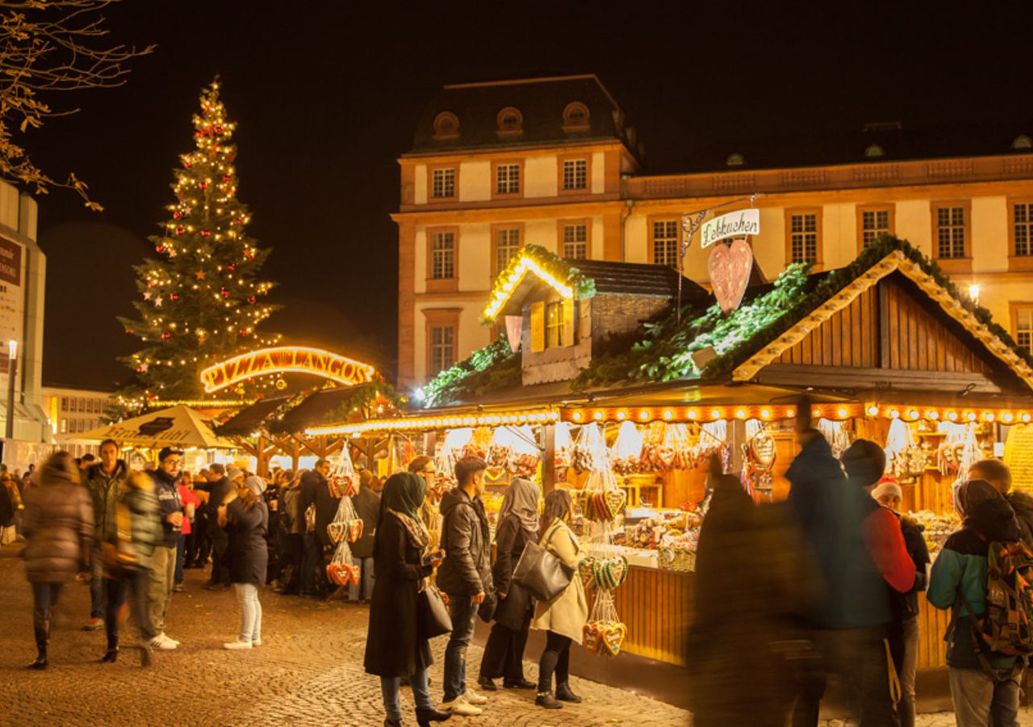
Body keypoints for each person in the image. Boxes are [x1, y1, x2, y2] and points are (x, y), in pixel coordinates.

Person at [789, 425, 909, 726]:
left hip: (815, 618)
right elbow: (902, 577)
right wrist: (919, 578)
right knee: (873, 708)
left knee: (806, 700)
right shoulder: (878, 516)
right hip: (862, 623)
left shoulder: (818, 503)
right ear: (879, 474)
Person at [689, 457, 818, 726]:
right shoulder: (764, 539)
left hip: (720, 671)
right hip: (763, 671)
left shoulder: (715, 538)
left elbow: (703, 608)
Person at [928, 479, 1025, 726]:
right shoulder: (1017, 536)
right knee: (1007, 721)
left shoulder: (959, 542)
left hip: (972, 646)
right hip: (1013, 644)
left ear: (965, 507)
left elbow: (939, 597)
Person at [363, 471, 452, 727]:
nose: (422, 495)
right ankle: (394, 717)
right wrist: (425, 569)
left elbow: (406, 562)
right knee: (392, 658)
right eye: (418, 490)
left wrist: (428, 560)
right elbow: (395, 567)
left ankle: (424, 707)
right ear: (406, 493)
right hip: (394, 601)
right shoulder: (393, 524)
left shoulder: (407, 520)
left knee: (417, 653)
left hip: (409, 596)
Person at [21, 451, 93, 669]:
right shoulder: (78, 493)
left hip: (39, 554)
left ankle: (42, 654)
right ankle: (53, 617)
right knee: (53, 599)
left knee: (40, 605)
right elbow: (86, 528)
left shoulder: (36, 492)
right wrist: (84, 559)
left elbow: (28, 527)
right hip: (66, 554)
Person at [437, 456, 493, 716]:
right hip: (462, 584)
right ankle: (452, 695)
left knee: (463, 638)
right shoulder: (461, 509)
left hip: (465, 581)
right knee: (460, 639)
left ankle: (460, 687)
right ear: (474, 478)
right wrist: (475, 583)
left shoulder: (469, 506)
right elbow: (460, 551)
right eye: (485, 476)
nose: (486, 482)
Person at [872, 478, 930, 727]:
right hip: (875, 619)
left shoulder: (911, 531)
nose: (891, 503)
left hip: (905, 616)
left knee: (906, 688)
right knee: (879, 688)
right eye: (885, 499)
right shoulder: (869, 529)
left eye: (895, 499)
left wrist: (903, 576)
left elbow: (925, 576)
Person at [99, 470, 170, 663]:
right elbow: (156, 536)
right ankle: (144, 640)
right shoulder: (152, 504)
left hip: (122, 559)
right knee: (140, 604)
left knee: (112, 603)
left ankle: (112, 647)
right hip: (143, 562)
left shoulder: (123, 501)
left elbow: (114, 529)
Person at [478, 476, 539, 691]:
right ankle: (487, 673)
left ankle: (514, 674)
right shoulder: (512, 520)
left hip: (525, 582)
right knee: (505, 627)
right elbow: (503, 553)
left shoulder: (530, 520)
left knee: (520, 629)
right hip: (512, 581)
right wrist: (503, 585)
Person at [531, 489, 588, 709]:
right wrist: (585, 551)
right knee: (555, 645)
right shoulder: (559, 530)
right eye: (570, 503)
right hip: (560, 596)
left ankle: (562, 687)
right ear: (565, 506)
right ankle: (543, 691)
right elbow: (571, 561)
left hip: (560, 594)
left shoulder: (553, 526)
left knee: (563, 642)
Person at [82, 438, 128, 631]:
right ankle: (97, 614)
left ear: (117, 454)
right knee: (97, 577)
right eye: (105, 452)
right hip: (97, 535)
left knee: (118, 577)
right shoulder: (90, 476)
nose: (108, 456)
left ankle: (117, 608)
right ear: (100, 454)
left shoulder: (127, 477)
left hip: (119, 536)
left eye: (112, 452)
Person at [220, 474, 269, 649]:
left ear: (250, 490)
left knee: (247, 598)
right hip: (246, 553)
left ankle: (245, 639)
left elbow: (248, 523)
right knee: (252, 598)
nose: (239, 491)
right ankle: (254, 636)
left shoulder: (258, 506)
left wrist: (231, 503)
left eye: (242, 488)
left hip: (250, 555)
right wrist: (225, 522)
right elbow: (238, 527)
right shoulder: (253, 506)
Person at [147, 447, 185, 648]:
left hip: (172, 540)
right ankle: (152, 633)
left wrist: (177, 517)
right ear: (161, 462)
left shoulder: (172, 485)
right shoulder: (152, 483)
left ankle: (159, 628)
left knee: (167, 588)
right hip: (157, 543)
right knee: (156, 588)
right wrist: (165, 517)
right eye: (171, 462)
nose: (175, 466)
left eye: (178, 463)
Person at [969, 459, 1033, 550]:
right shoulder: (1022, 508)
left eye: (973, 483)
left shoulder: (1003, 520)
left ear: (994, 484)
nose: (967, 489)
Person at [299, 459, 338, 597]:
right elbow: (315, 506)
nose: (327, 470)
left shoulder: (309, 480)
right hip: (312, 527)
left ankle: (304, 586)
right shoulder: (316, 483)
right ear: (318, 467)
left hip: (306, 526)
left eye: (329, 467)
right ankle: (308, 587)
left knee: (308, 557)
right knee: (312, 558)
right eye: (325, 467)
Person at [349, 469, 381, 602]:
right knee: (369, 566)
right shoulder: (374, 497)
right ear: (369, 480)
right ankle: (368, 595)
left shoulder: (352, 496)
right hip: (370, 535)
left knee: (355, 565)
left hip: (355, 533)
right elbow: (379, 517)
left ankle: (353, 595)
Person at [203, 464, 235, 589]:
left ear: (218, 473)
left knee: (221, 554)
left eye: (210, 474)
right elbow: (208, 486)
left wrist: (201, 508)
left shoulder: (221, 488)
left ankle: (223, 580)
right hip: (219, 526)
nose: (209, 476)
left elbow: (213, 508)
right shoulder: (222, 483)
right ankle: (215, 578)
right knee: (217, 553)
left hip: (219, 526)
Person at [277, 469, 304, 595]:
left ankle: (288, 582)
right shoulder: (296, 494)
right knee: (296, 558)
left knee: (291, 557)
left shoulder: (287, 492)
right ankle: (291, 584)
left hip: (289, 529)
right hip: (296, 529)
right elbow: (293, 514)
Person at [174, 471, 200, 593]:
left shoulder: (162, 488)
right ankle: (177, 581)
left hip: (166, 526)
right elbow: (196, 503)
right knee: (178, 555)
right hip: (182, 526)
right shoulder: (183, 490)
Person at [410, 456, 443, 551]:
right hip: (419, 559)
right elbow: (417, 534)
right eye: (432, 472)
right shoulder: (415, 499)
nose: (436, 475)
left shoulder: (425, 497)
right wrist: (440, 535)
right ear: (421, 474)